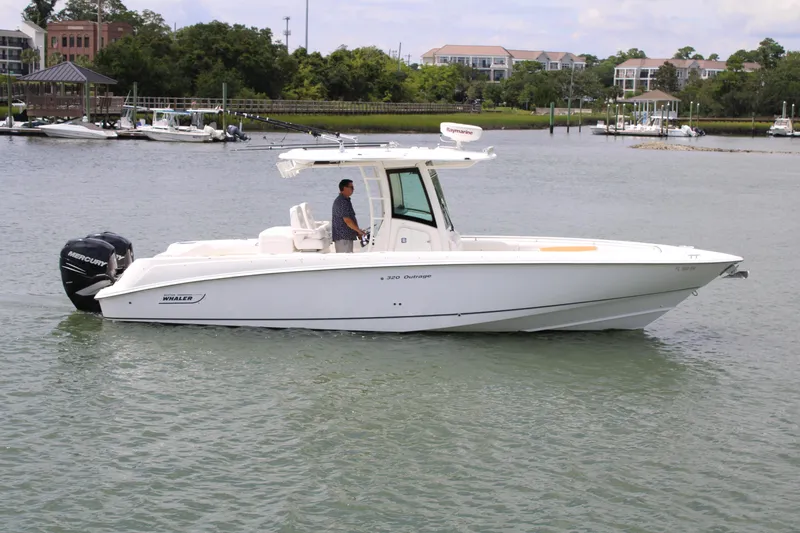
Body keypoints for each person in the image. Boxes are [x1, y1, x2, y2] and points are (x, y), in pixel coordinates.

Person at [332, 179, 365, 253]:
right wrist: (359, 231)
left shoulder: (346, 200)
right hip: (343, 238)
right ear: (344, 188)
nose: (353, 189)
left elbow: (351, 218)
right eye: (351, 187)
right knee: (344, 260)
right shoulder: (342, 202)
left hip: (346, 238)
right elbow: (347, 220)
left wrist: (358, 232)